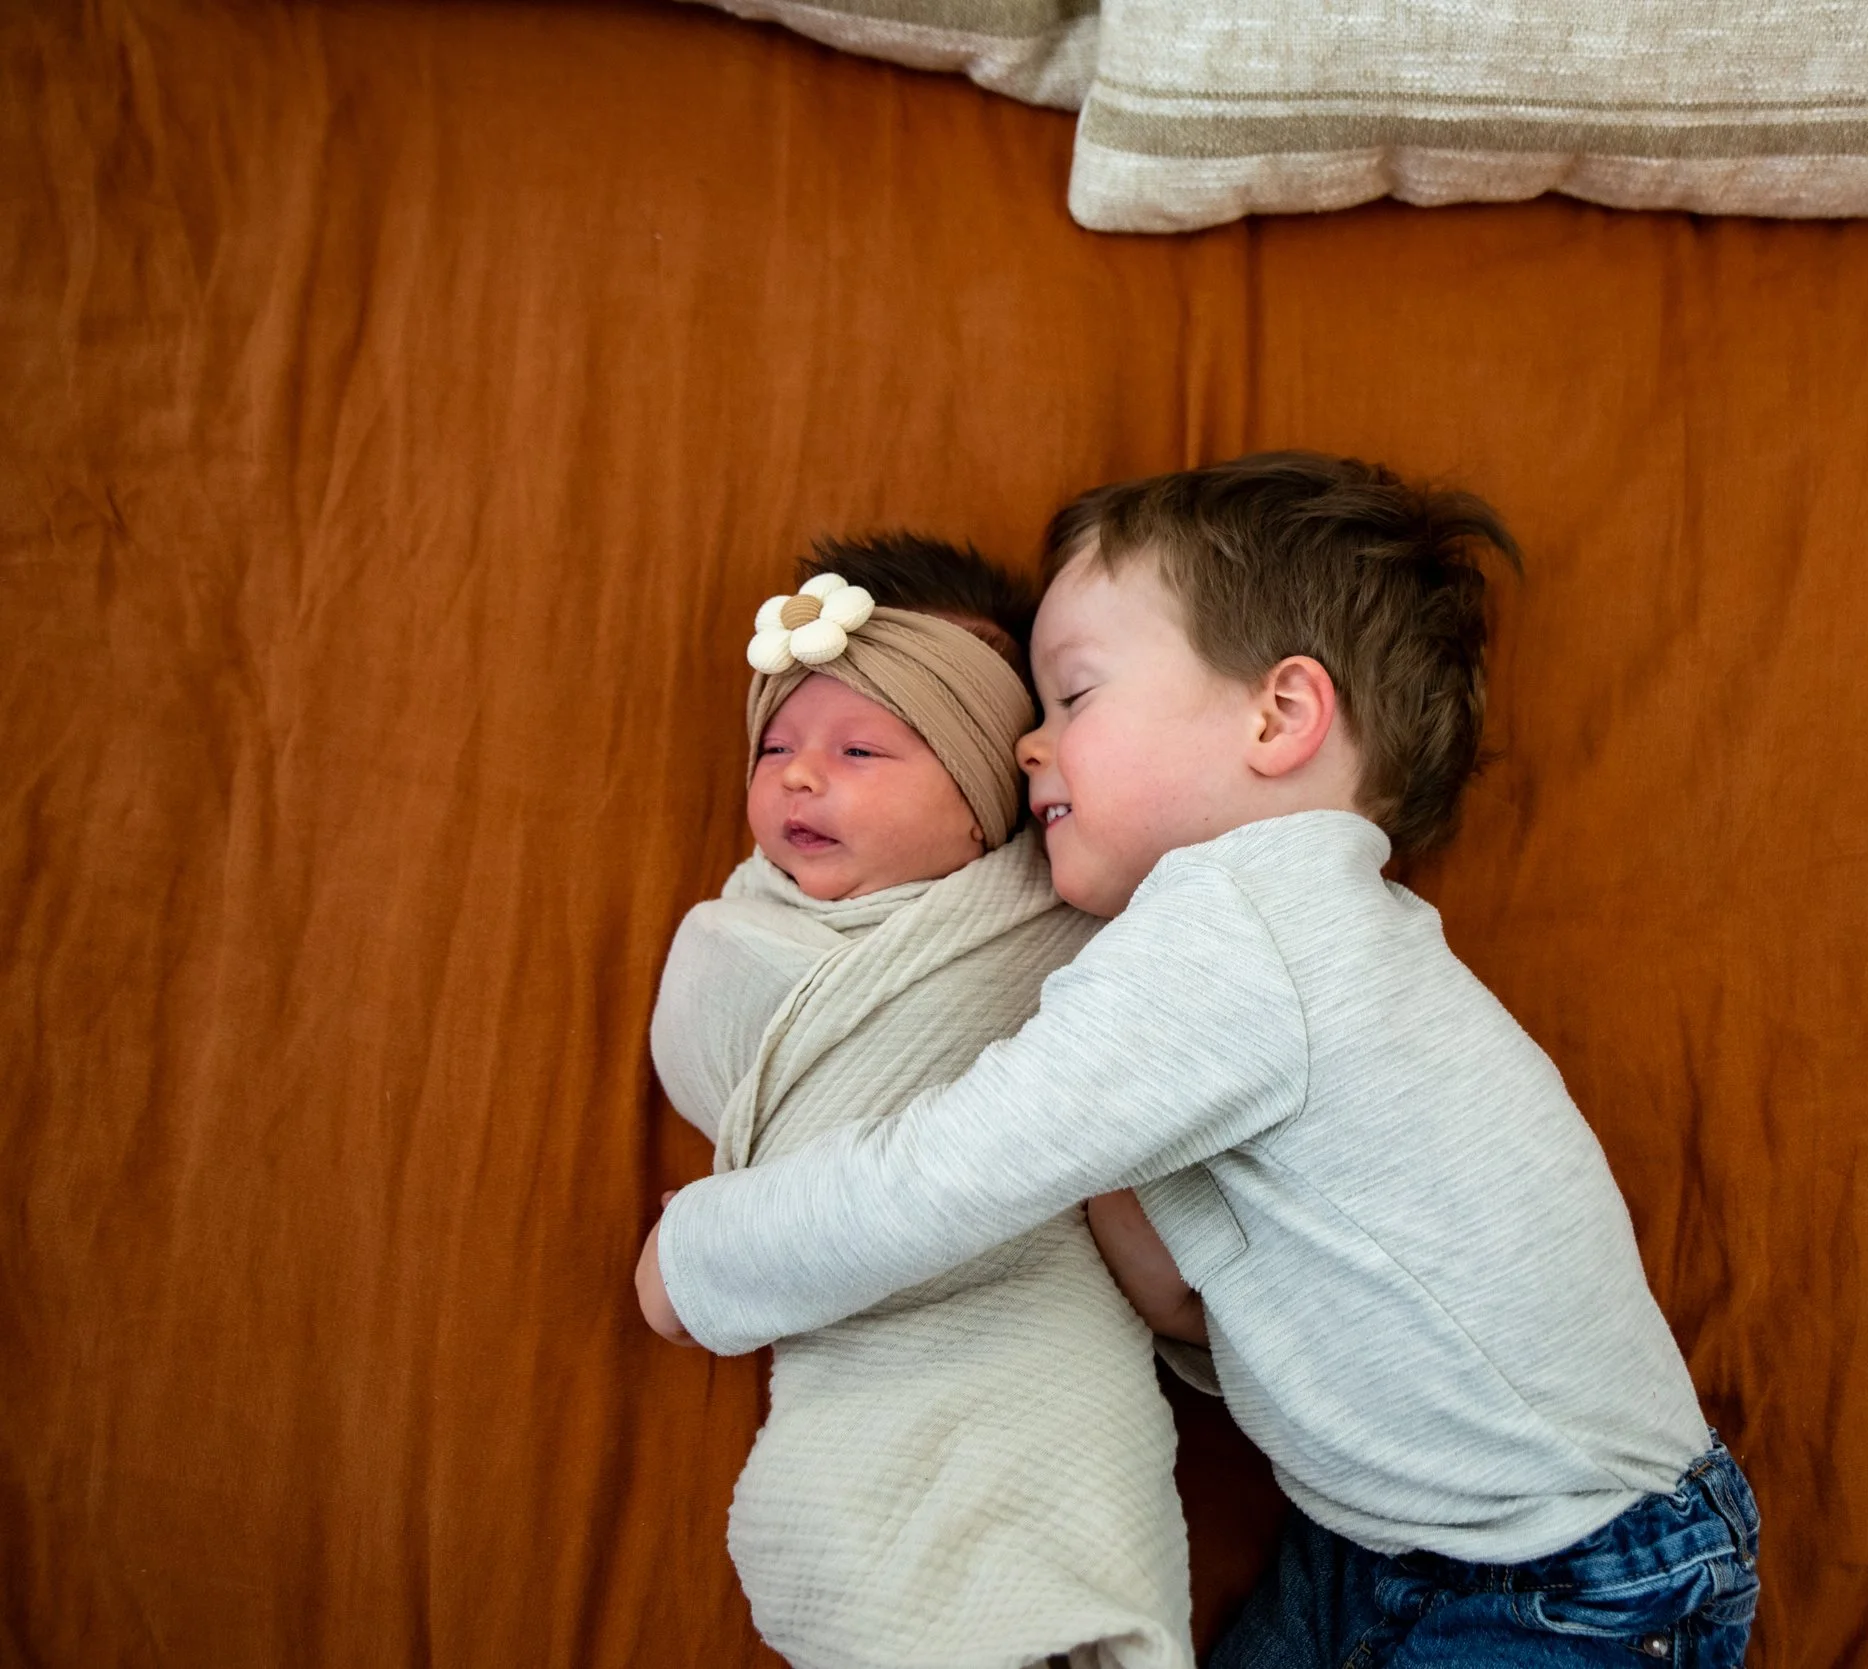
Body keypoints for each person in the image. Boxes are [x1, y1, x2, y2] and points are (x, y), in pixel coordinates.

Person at [640, 458, 1759, 1667]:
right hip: (1384, 1547)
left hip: (1577, 1574)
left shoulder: (1241, 925)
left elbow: (944, 1174)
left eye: (1072, 696)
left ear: (1278, 719)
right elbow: (1182, 1294)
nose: (1028, 741)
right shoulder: (1273, 944)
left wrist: (699, 1262)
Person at [644, 533, 1191, 1669]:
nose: (799, 776)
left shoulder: (1059, 921)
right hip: (858, 1353)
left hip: (1041, 1327)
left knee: (1073, 1524)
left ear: (992, 788)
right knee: (852, 1541)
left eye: (862, 750)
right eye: (779, 746)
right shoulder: (739, 936)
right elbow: (713, 1062)